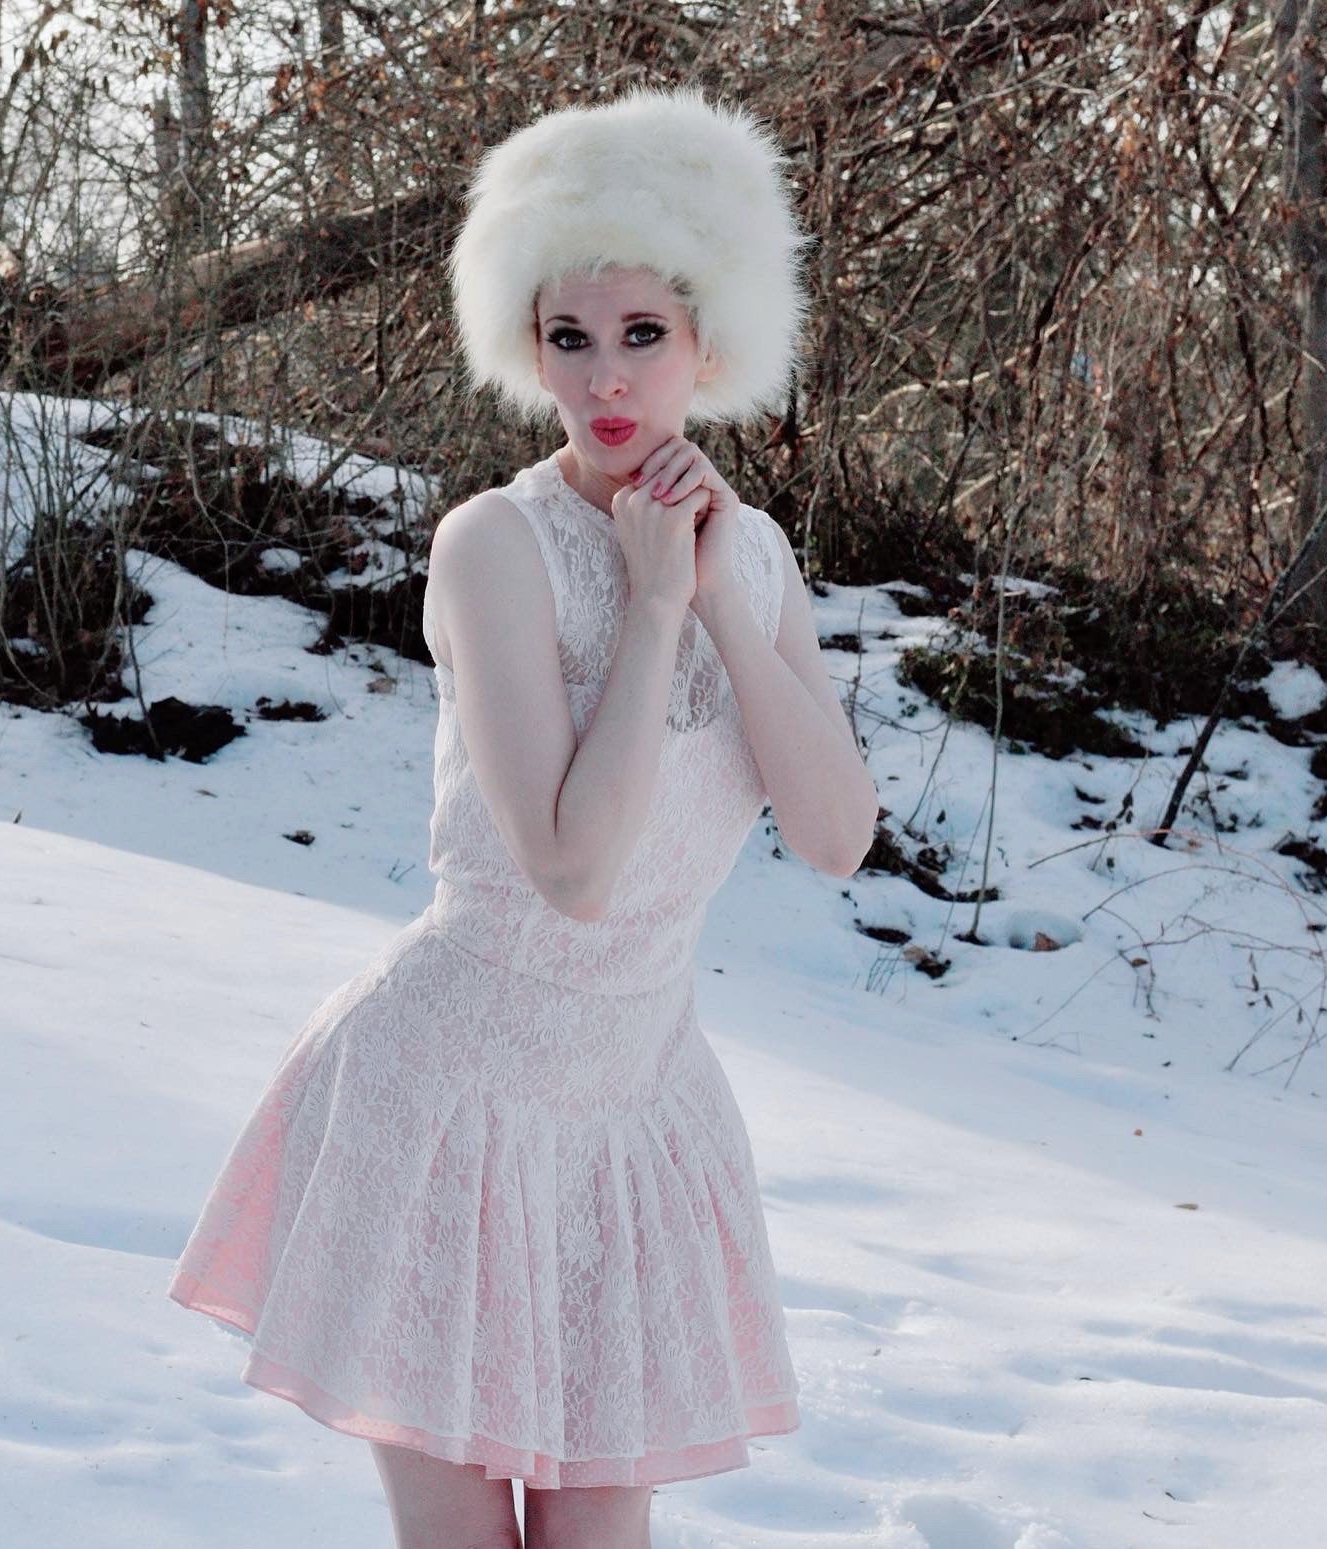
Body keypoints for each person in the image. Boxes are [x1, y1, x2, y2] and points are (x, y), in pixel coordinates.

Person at [167, 84, 879, 1549]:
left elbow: (836, 834)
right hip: (449, 1100)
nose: (606, 379)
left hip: (631, 1115)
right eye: (568, 336)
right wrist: (654, 609)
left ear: (708, 344)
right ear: (525, 341)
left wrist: (725, 594)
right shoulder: (492, 546)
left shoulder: (755, 555)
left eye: (642, 336)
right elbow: (569, 865)